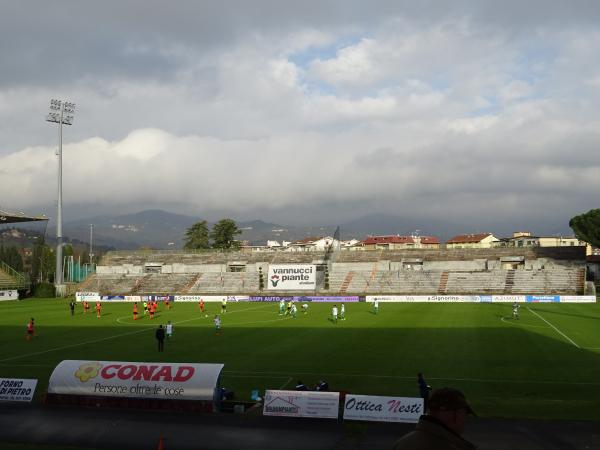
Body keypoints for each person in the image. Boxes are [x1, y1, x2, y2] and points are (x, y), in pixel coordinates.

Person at [392, 387, 477, 450]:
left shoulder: (400, 443)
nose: (465, 420)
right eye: (465, 414)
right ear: (456, 414)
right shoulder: (452, 447)